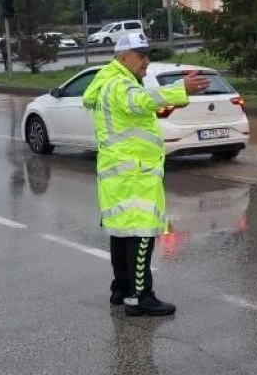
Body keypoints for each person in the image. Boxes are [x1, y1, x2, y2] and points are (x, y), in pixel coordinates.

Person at [83, 32, 209, 317]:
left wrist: (172, 99)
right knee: (141, 235)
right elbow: (139, 100)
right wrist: (180, 88)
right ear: (123, 56)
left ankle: (122, 289)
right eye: (141, 55)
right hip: (134, 174)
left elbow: (139, 106)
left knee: (122, 234)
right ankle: (140, 297)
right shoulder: (119, 84)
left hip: (120, 174)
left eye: (147, 54)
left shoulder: (109, 81)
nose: (146, 61)